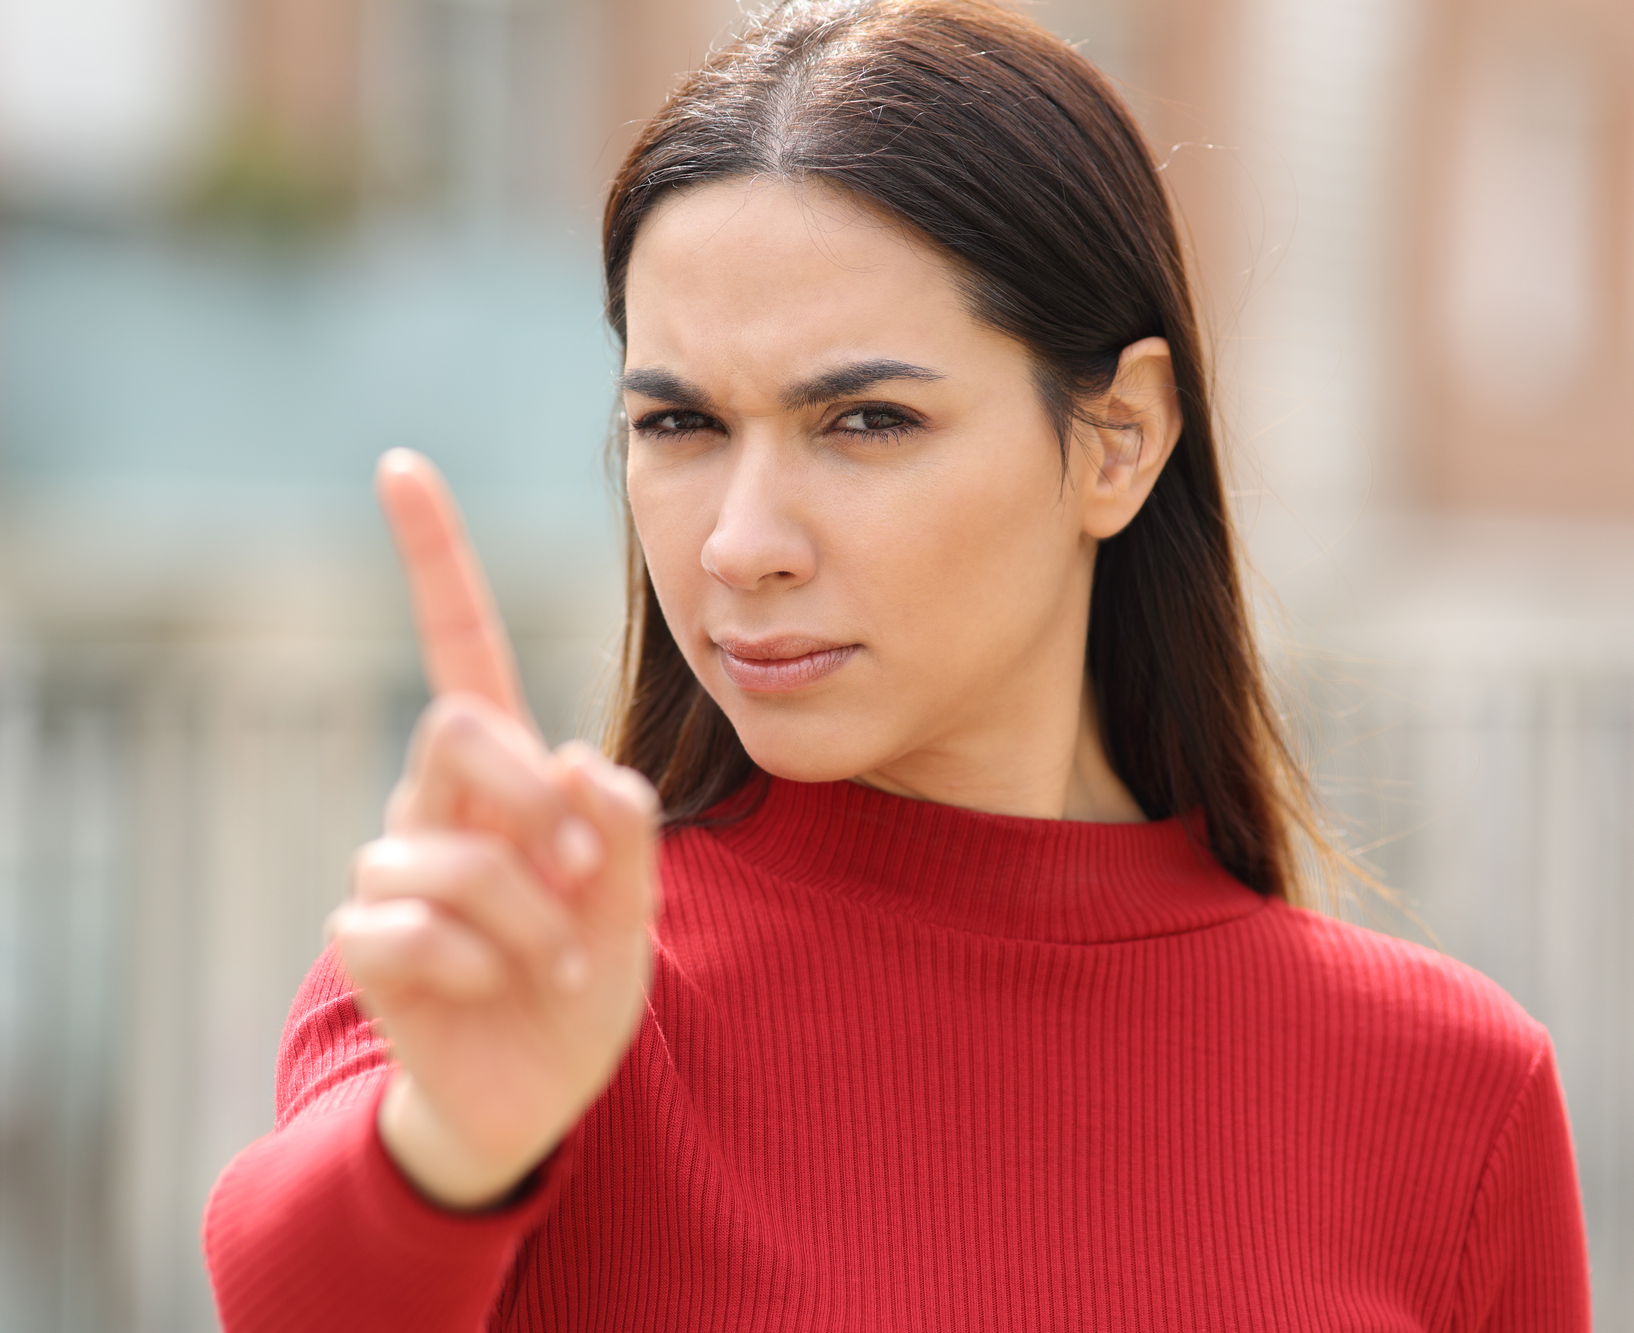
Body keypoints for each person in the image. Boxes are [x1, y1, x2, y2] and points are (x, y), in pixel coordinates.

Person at [202, 1, 1590, 1328]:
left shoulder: (1452, 1095)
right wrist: (448, 1144)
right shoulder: (529, 988)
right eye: (680, 425)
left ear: (1119, 437)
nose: (741, 544)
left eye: (864, 420)